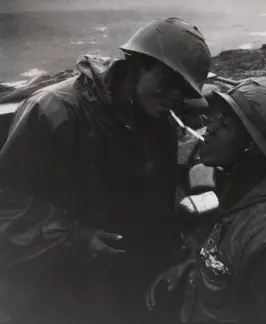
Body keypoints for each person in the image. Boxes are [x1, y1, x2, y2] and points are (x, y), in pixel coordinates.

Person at [0, 17, 211, 324]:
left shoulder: (160, 122)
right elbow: (7, 201)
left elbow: (158, 206)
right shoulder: (55, 111)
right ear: (138, 64)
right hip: (58, 282)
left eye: (183, 91)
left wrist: (172, 260)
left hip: (125, 280)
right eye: (167, 83)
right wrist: (77, 237)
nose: (174, 98)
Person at [146, 77, 266, 324]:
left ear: (252, 149)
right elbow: (227, 256)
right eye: (216, 118)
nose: (210, 128)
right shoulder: (240, 192)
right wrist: (191, 272)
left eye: (224, 124)